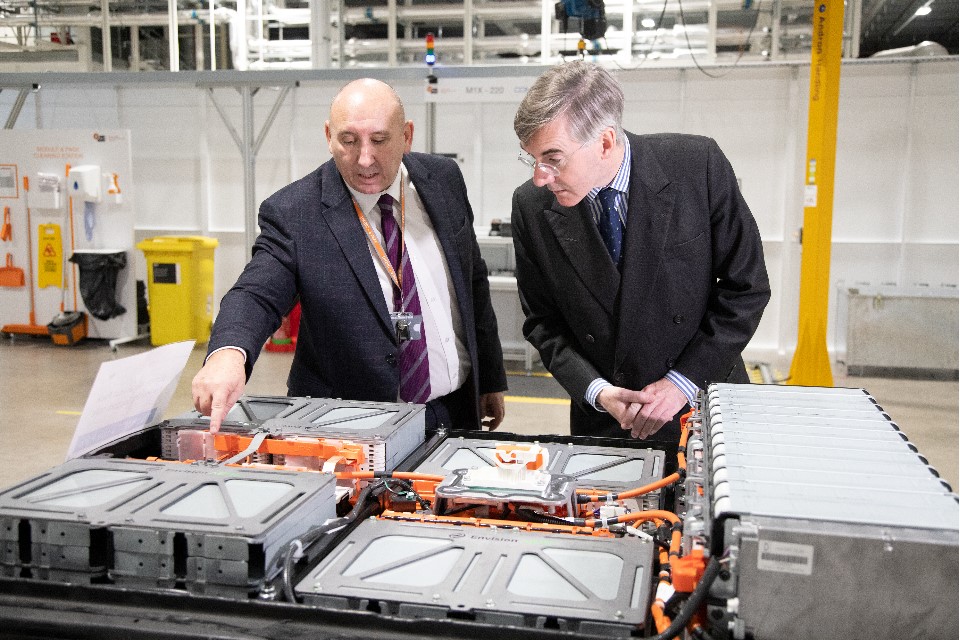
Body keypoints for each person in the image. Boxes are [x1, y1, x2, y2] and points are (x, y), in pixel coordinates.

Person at [193, 78, 507, 433]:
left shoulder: (444, 179)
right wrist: (228, 354)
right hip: (352, 426)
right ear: (329, 136)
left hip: (454, 411)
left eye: (379, 140)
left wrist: (491, 377)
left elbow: (473, 281)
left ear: (407, 135)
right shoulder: (294, 212)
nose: (364, 158)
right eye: (348, 140)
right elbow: (255, 292)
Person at [510, 61, 770, 457]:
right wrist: (598, 392)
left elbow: (746, 289)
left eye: (553, 158)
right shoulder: (531, 206)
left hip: (705, 400)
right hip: (609, 418)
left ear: (605, 142)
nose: (540, 177)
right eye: (532, 159)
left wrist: (682, 382)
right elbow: (543, 323)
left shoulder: (696, 167)